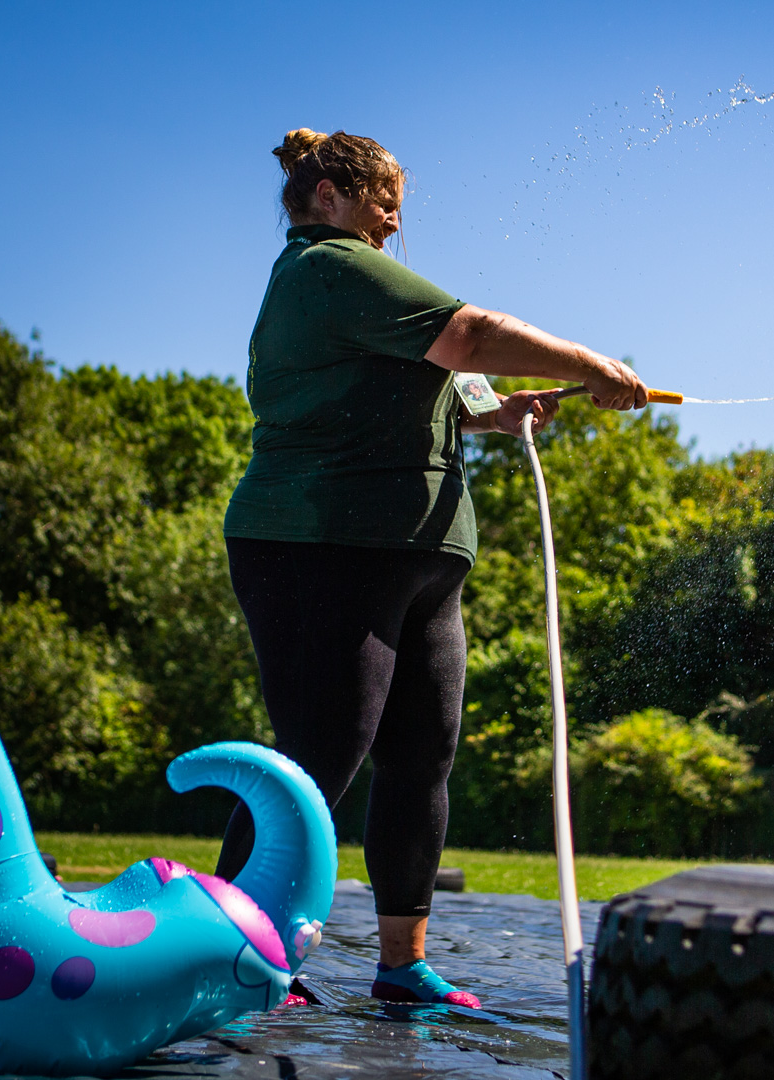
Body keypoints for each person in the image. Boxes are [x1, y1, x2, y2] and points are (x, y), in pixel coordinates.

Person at [217, 128, 649, 1007]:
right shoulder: (325, 265)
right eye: (383, 206)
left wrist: (499, 412)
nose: (390, 228)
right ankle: (235, 953)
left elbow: (439, 379)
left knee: (423, 756)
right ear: (330, 194)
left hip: (420, 557)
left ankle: (400, 965)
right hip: (321, 544)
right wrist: (591, 365)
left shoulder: (351, 283)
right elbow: (470, 333)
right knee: (320, 756)